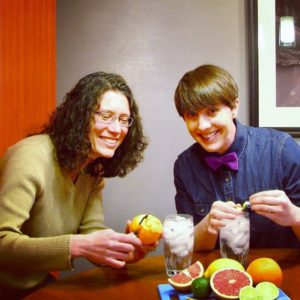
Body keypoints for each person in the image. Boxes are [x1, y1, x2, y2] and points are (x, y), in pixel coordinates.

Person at [0, 72, 151, 298]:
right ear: (80, 116)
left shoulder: (92, 171)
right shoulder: (30, 157)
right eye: (106, 116)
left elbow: (92, 233)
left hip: (35, 286)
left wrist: (119, 251)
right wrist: (77, 245)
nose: (117, 129)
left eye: (123, 119)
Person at [173, 64, 300, 252]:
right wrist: (209, 225)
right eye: (192, 115)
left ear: (234, 107)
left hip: (279, 276)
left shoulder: (282, 150)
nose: (203, 126)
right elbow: (188, 248)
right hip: (216, 274)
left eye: (211, 111)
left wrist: (295, 216)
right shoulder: (184, 166)